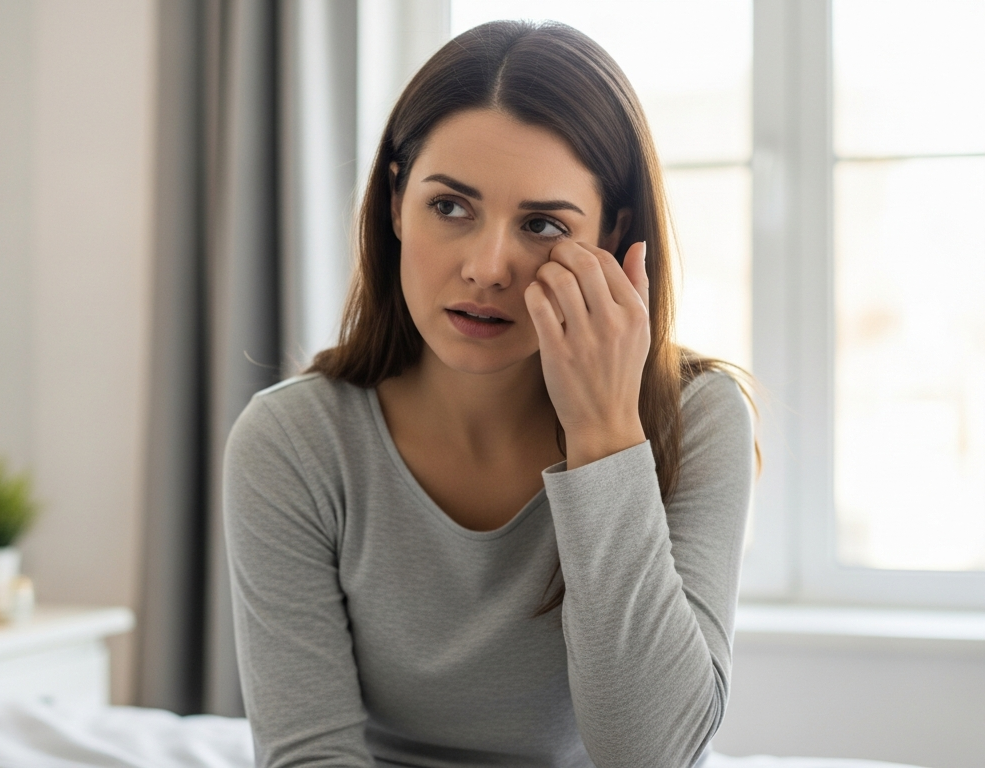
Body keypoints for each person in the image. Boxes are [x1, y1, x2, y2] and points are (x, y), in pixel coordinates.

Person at [222, 19, 758, 768]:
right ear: (395, 202)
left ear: (613, 236)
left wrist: (605, 435)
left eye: (541, 224)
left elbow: (652, 756)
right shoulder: (294, 440)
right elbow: (311, 756)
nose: (488, 266)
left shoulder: (696, 421)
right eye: (450, 206)